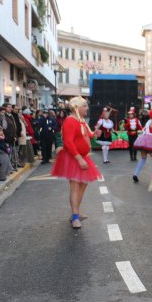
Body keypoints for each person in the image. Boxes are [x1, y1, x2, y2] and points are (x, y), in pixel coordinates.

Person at [51, 97, 103, 229]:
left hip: (82, 156)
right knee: (75, 186)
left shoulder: (81, 121)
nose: (87, 108)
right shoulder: (70, 121)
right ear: (76, 107)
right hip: (74, 158)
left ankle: (76, 212)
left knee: (83, 184)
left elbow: (88, 135)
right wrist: (79, 158)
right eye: (84, 106)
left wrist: (95, 134)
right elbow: (68, 142)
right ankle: (75, 217)